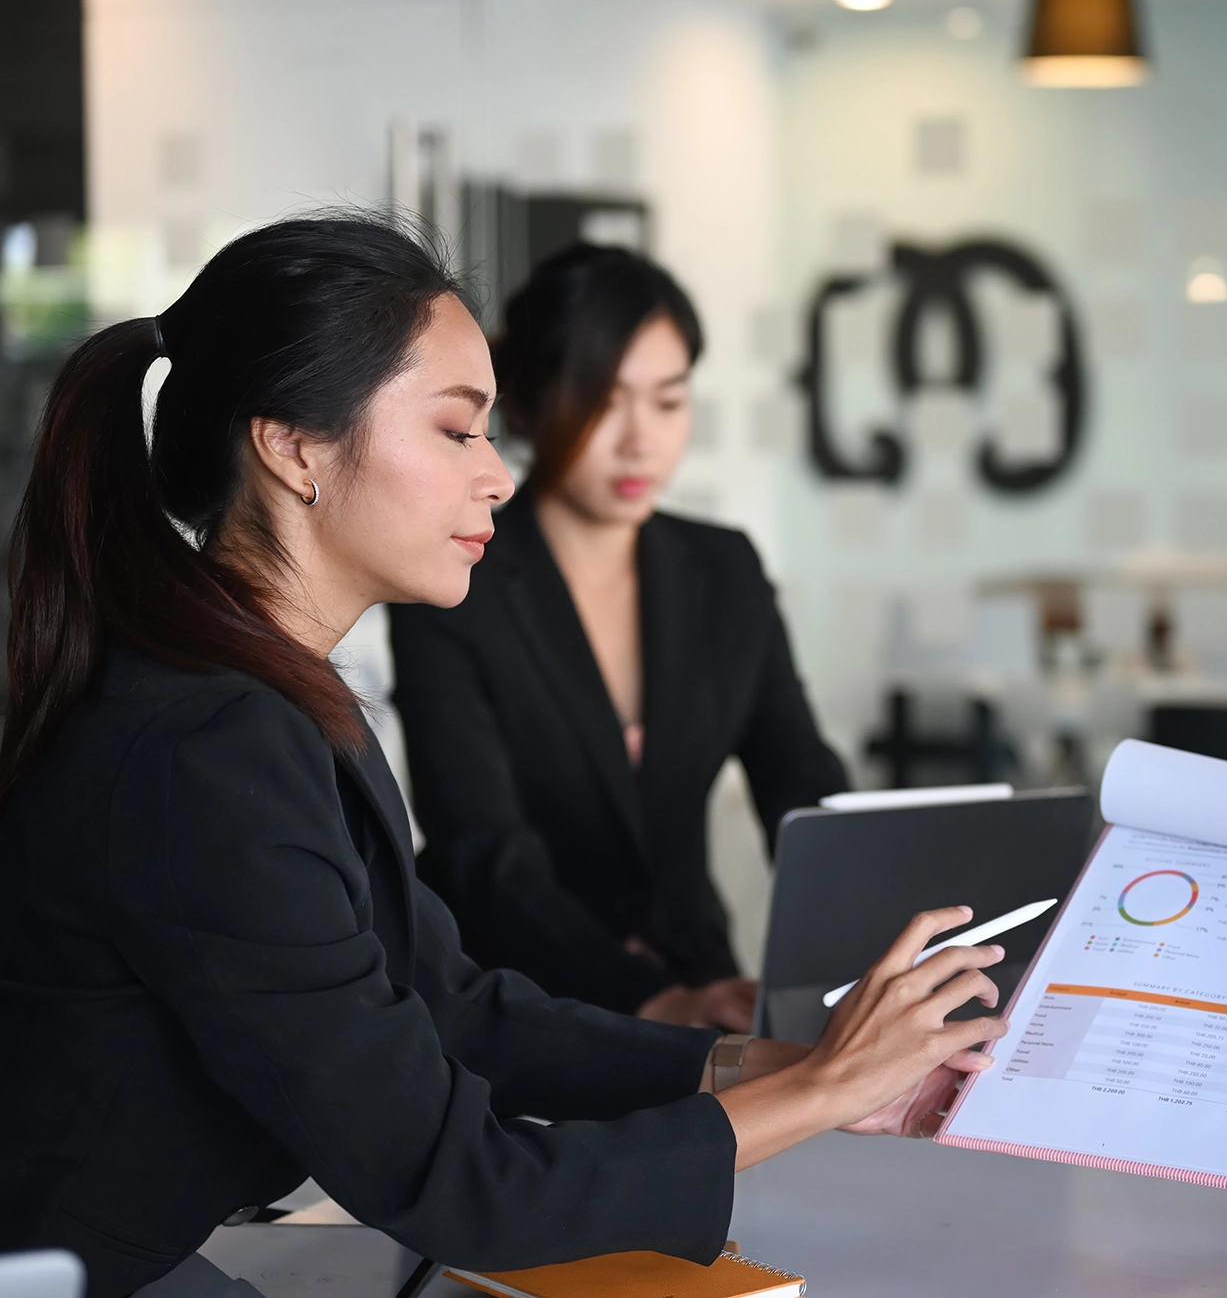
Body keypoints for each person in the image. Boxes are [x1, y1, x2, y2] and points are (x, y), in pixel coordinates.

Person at [0, 217, 1005, 1298]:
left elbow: (448, 1004)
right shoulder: (208, 746)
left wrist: (797, 1070)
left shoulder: (269, 695)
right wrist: (813, 1093)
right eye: (456, 432)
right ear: (292, 445)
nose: (499, 479)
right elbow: (461, 1183)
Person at [391, 245, 844, 1033]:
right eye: (604, 401)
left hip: (704, 985)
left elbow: (800, 781)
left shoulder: (722, 568)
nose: (641, 442)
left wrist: (861, 941)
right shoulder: (456, 578)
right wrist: (646, 995)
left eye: (669, 402)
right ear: (527, 404)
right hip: (518, 1005)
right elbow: (482, 852)